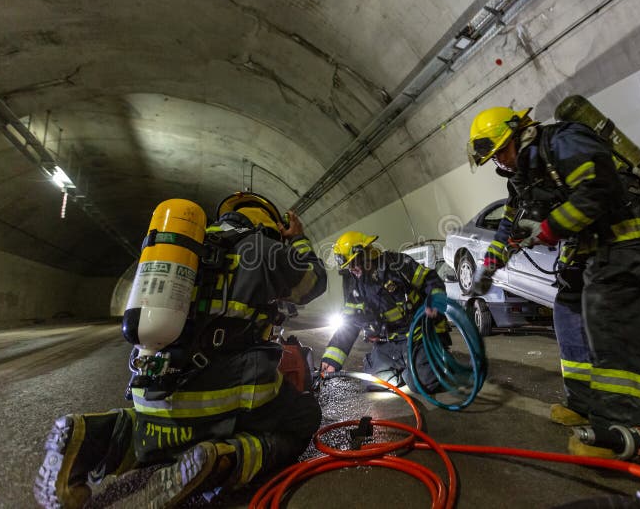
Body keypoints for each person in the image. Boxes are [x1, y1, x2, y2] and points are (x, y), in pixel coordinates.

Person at [34, 191, 327, 508]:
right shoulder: (265, 250)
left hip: (154, 392)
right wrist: (298, 240)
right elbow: (315, 281)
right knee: (303, 417)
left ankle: (84, 436)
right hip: (226, 399)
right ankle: (225, 461)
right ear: (269, 224)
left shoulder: (181, 247)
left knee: (148, 432)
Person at [465, 106, 640, 456]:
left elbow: (599, 188)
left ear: (520, 132)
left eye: (502, 152)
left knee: (608, 321)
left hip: (623, 242)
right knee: (567, 312)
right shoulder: (522, 178)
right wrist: (486, 270)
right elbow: (508, 228)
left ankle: (623, 431)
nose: (501, 164)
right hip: (587, 248)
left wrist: (550, 229)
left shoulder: (564, 141)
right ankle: (583, 403)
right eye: (495, 159)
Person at [320, 231, 449, 393]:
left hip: (420, 334)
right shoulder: (358, 287)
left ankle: (426, 363)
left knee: (422, 384)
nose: (352, 270)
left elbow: (430, 279)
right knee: (375, 383)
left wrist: (435, 302)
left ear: (366, 254)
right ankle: (407, 366)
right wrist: (331, 360)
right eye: (349, 266)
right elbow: (349, 323)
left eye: (354, 263)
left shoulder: (399, 265)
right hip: (390, 343)